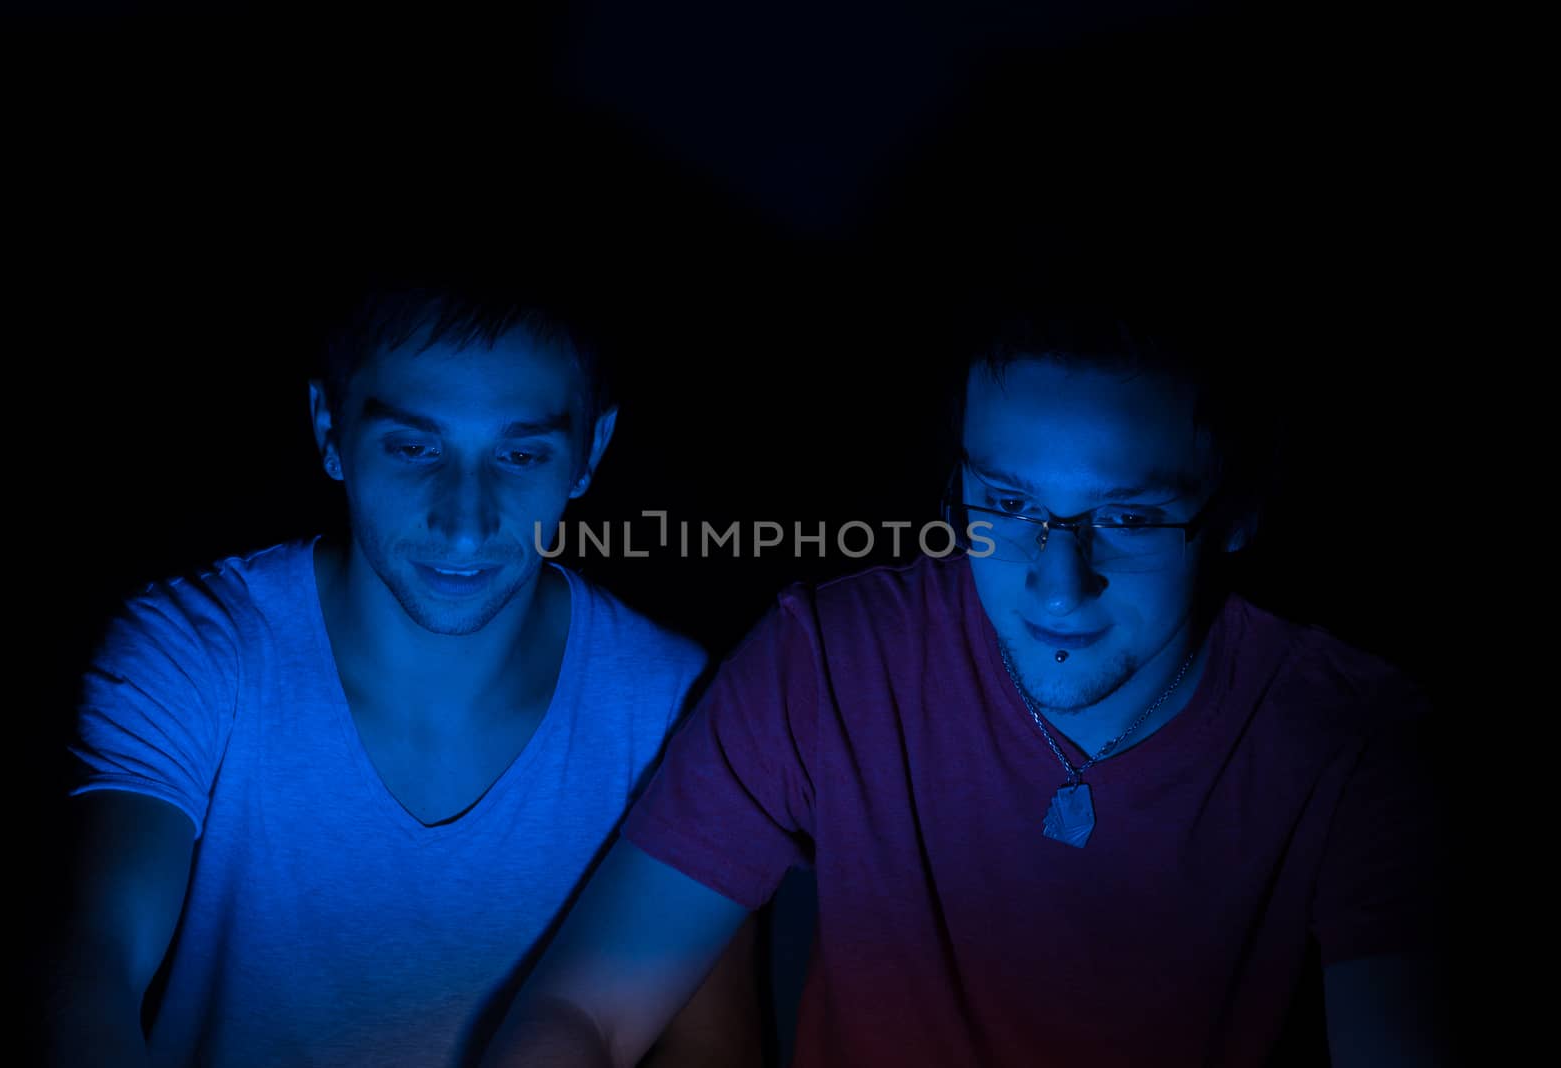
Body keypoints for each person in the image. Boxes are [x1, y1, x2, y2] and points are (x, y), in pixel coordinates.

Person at [482, 291, 1446, 1066]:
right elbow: (586, 1012)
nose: (1057, 589)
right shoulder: (831, 658)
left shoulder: (1349, 738)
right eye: (1008, 504)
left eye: (1130, 518)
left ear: (1234, 510)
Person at [43, 277, 761, 1067]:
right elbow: (96, 958)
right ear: (329, 429)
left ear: (590, 451)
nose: (464, 521)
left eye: (520, 455)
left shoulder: (675, 707)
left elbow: (712, 1052)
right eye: (414, 448)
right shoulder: (196, 652)